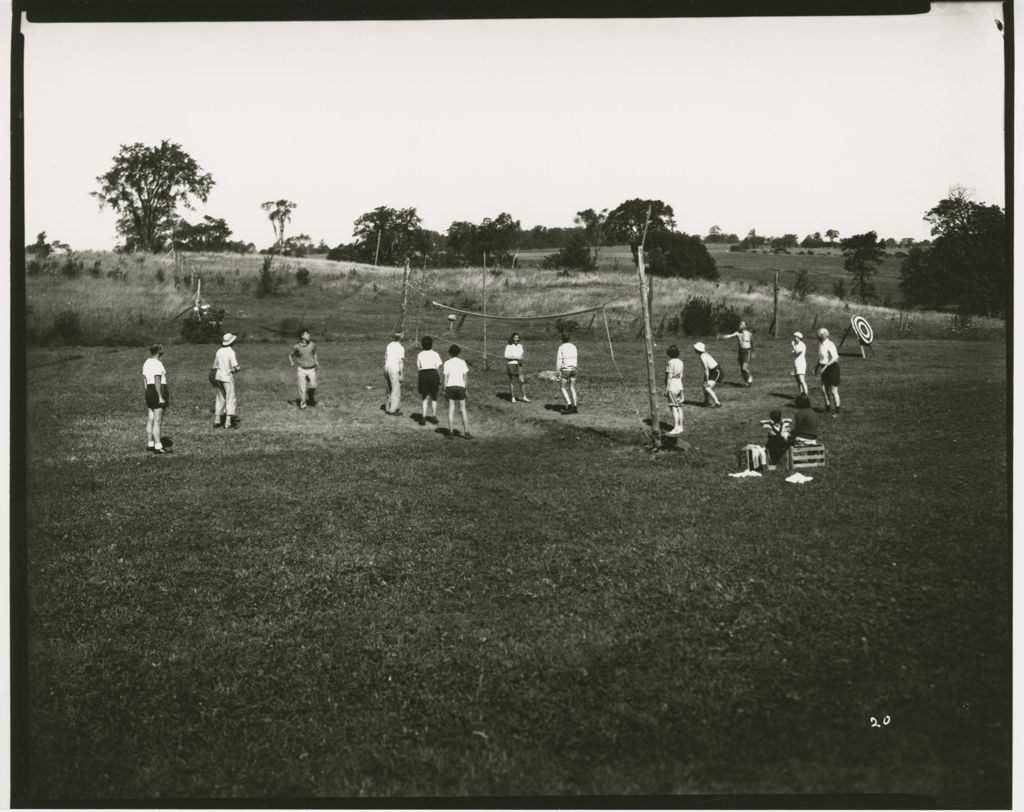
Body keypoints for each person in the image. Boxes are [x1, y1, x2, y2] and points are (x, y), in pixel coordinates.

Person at [143, 343, 169, 453]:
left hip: (149, 390)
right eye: (162, 348)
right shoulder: (158, 364)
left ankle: (150, 443)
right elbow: (157, 380)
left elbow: (144, 378)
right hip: (157, 390)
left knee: (151, 418)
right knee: (158, 421)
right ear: (159, 351)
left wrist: (147, 392)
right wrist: (160, 397)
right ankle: (158, 446)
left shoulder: (146, 362)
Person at [212, 333, 240, 428]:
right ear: (232, 342)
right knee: (230, 397)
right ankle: (228, 422)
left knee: (220, 397)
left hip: (218, 376)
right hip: (227, 377)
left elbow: (215, 365)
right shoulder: (231, 352)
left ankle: (217, 418)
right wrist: (236, 369)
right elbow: (235, 366)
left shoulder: (219, 351)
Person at [442, 344, 471, 439]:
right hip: (460, 386)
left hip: (450, 386)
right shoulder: (462, 362)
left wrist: (444, 389)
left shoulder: (446, 363)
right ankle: (466, 432)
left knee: (451, 409)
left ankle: (450, 432)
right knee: (463, 410)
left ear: (450, 353)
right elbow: (465, 378)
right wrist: (466, 389)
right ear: (459, 353)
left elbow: (445, 378)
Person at [289, 329, 319, 409]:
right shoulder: (297, 347)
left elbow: (315, 352)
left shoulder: (312, 344)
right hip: (301, 370)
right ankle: (303, 404)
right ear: (302, 336)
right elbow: (290, 355)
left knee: (313, 386)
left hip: (311, 369)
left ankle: (310, 389)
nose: (308, 335)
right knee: (302, 388)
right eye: (306, 334)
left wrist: (316, 361)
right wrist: (291, 362)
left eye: (308, 334)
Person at [416, 335, 443, 425]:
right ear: (431, 344)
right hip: (433, 374)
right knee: (434, 397)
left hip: (423, 374)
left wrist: (421, 378)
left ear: (422, 345)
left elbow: (419, 368)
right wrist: (439, 379)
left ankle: (423, 417)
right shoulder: (435, 354)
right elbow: (437, 368)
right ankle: (434, 417)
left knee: (424, 397)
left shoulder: (420, 354)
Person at [815, 327, 841, 416]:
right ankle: (828, 408)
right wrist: (816, 367)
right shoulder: (820, 343)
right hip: (824, 367)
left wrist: (825, 366)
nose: (817, 336)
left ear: (824, 335)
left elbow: (835, 358)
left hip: (832, 368)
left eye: (819, 335)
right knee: (823, 390)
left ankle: (837, 410)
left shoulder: (830, 344)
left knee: (834, 391)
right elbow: (821, 358)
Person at [720, 321, 754, 386]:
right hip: (740, 352)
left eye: (743, 324)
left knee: (744, 368)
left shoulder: (748, 333)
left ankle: (750, 377)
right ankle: (747, 382)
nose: (741, 325)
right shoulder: (737, 333)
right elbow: (729, 336)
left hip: (747, 351)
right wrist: (722, 336)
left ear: (745, 326)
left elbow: (752, 343)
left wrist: (753, 351)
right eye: (740, 324)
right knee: (742, 369)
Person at [504, 332, 531, 403]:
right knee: (512, 381)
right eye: (515, 338)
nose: (516, 339)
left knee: (522, 381)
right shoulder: (508, 346)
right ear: (512, 338)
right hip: (511, 364)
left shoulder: (520, 346)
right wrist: (516, 357)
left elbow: (521, 355)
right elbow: (506, 356)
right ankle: (512, 397)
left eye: (518, 338)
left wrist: (521, 357)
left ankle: (524, 397)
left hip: (519, 365)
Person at [693, 342, 722, 407]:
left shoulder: (702, 357)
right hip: (713, 371)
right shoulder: (704, 354)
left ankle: (717, 403)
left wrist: (706, 380)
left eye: (695, 348)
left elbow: (706, 369)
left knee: (707, 387)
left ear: (697, 350)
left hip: (716, 372)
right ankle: (706, 402)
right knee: (705, 387)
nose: (694, 349)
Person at [663, 344, 684, 435]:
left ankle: (676, 428)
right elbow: (681, 375)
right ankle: (680, 426)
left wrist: (667, 389)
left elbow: (669, 376)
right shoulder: (681, 362)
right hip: (679, 385)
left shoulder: (670, 362)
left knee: (674, 408)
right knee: (679, 407)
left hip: (673, 386)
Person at [556, 333, 578, 414]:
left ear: (562, 339)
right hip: (574, 369)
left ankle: (569, 405)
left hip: (566, 369)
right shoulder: (573, 346)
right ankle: (575, 406)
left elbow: (559, 360)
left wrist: (558, 371)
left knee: (562, 387)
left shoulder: (561, 347)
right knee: (572, 387)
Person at [383, 332, 405, 416]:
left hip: (386, 367)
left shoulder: (389, 345)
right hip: (394, 368)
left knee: (388, 388)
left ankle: (387, 407)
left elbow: (386, 357)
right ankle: (393, 409)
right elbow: (400, 361)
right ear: (400, 338)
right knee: (395, 389)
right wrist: (401, 374)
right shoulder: (400, 347)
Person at [791, 331, 809, 397]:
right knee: (798, 381)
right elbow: (793, 353)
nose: (794, 338)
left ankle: (806, 395)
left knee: (801, 380)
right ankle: (801, 394)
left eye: (796, 337)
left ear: (799, 338)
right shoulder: (796, 345)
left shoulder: (802, 345)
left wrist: (793, 346)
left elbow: (798, 353)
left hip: (801, 363)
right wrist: (794, 346)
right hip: (796, 363)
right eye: (794, 337)